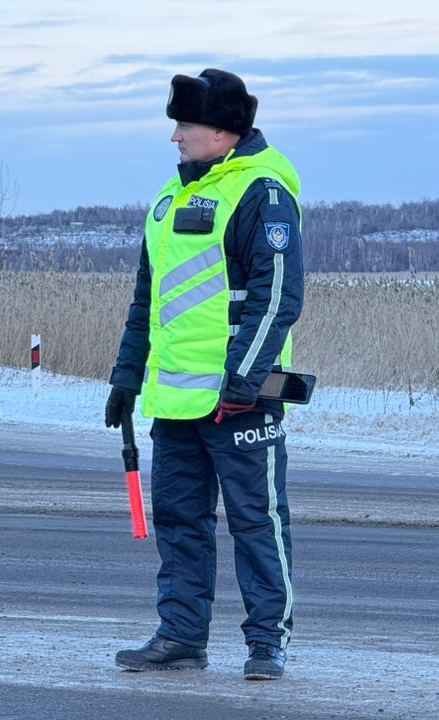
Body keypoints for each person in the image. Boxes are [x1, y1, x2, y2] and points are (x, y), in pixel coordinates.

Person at [104, 68, 304, 681]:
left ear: (222, 131)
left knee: (256, 522)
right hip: (176, 403)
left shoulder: (262, 193)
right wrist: (127, 377)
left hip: (241, 402)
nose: (175, 138)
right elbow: (148, 301)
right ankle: (181, 636)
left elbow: (278, 297)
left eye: (184, 126)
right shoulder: (169, 201)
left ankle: (267, 642)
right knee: (179, 521)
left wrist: (243, 384)